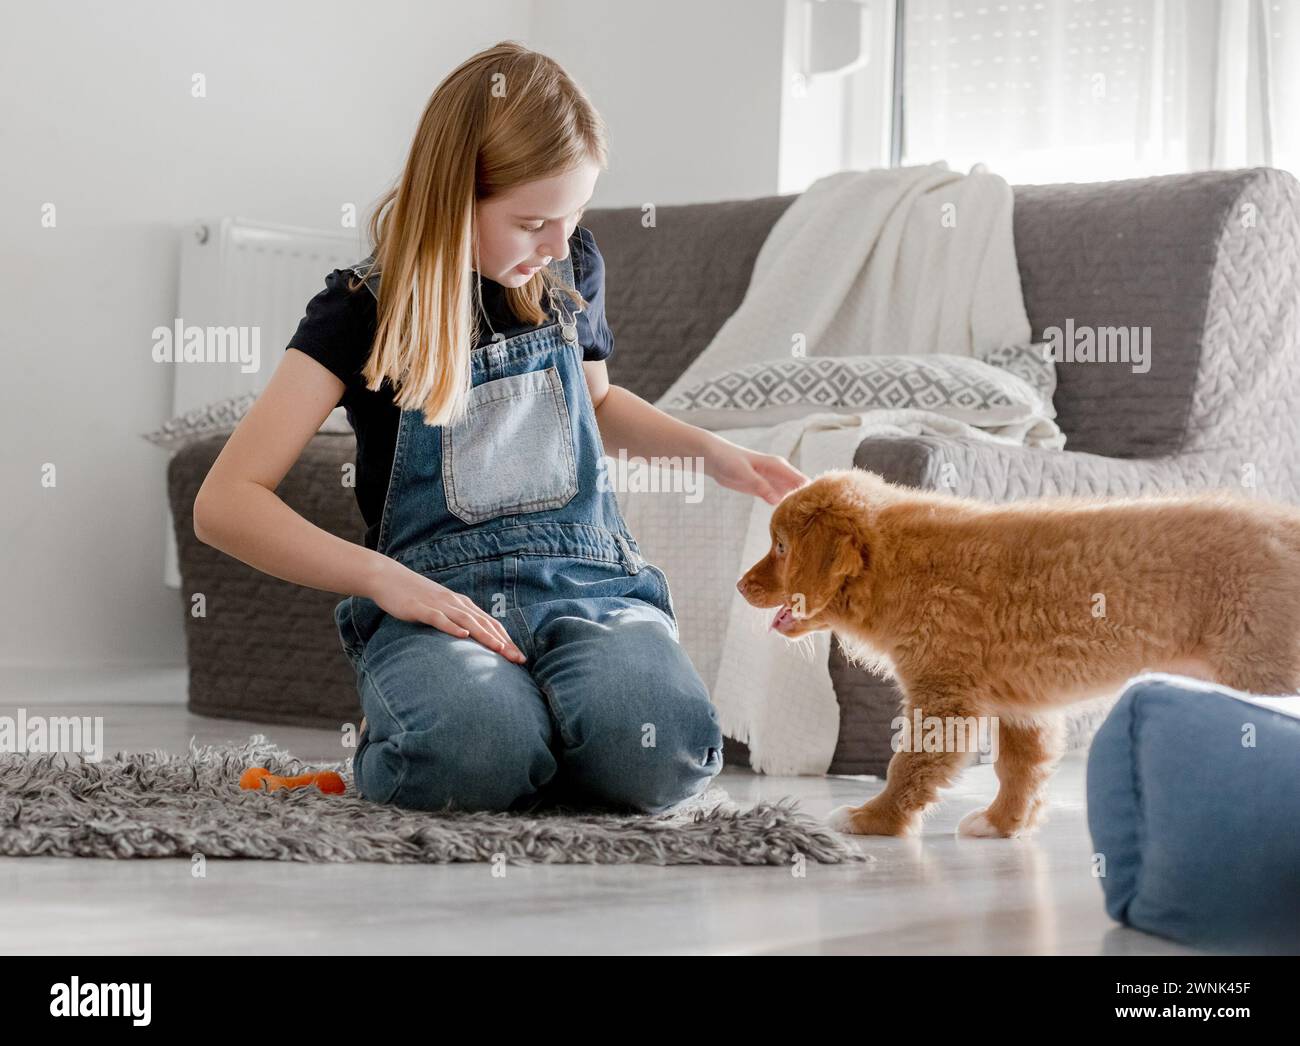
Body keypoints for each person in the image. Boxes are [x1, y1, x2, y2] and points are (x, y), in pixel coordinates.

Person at [193, 41, 806, 815]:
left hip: (589, 586)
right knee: (470, 755)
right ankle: (481, 727)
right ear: (452, 199)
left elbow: (599, 403)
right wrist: (384, 579)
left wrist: (720, 456)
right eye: (532, 221)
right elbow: (226, 502)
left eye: (574, 216)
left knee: (665, 755)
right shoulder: (359, 311)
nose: (557, 244)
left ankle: (538, 733)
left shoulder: (569, 268)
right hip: (437, 598)